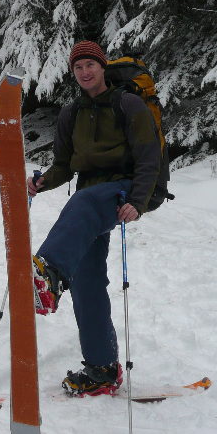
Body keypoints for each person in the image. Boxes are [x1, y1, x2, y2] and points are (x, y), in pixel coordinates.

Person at [28, 40, 160, 397]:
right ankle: (101, 369)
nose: (85, 72)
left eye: (90, 65)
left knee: (84, 201)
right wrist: (41, 183)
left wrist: (138, 201)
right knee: (87, 282)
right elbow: (63, 165)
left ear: (103, 67)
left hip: (124, 188)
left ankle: (48, 273)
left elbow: (150, 157)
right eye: (78, 67)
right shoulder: (71, 112)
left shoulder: (128, 104)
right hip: (89, 193)